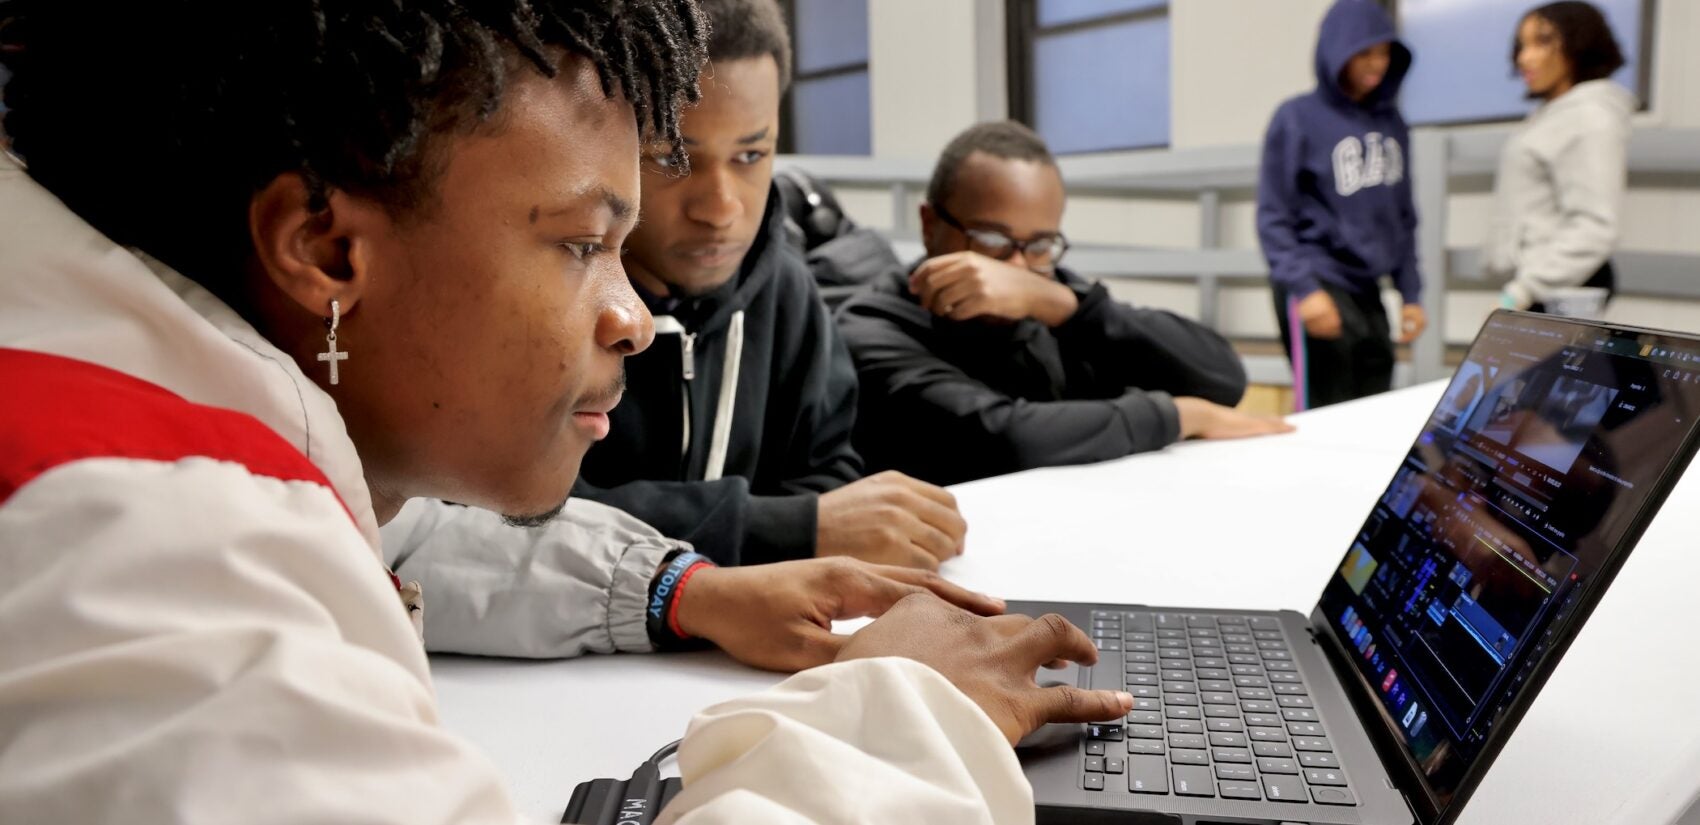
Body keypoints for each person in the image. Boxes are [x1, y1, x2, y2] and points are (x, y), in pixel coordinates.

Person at [0, 3, 1134, 822]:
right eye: (583, 244)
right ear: (324, 248)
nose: (632, 317)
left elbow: (417, 535)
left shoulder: (109, 369)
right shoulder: (150, 580)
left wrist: (684, 590)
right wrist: (902, 717)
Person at [569, 0, 966, 572]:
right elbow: (524, 515)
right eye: (672, 157)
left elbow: (829, 476)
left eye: (751, 154)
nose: (722, 208)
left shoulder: (786, 289)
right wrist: (777, 527)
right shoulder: (555, 301)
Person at [838, 121, 1289, 487]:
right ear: (929, 224)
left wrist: (1069, 308)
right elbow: (1004, 440)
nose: (1016, 266)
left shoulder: (1048, 296)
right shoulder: (871, 327)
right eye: (992, 240)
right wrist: (1176, 415)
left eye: (1039, 245)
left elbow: (1222, 379)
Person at [1257, 0, 1426, 410]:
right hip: (1317, 278)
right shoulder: (1297, 117)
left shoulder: (1392, 124)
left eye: (1385, 52)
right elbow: (1274, 216)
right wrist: (1306, 290)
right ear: (1337, 50)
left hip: (1367, 286)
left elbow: (1403, 217)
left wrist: (1411, 293)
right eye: (1364, 52)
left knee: (1374, 401)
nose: (1377, 64)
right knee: (1327, 408)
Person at [1485, 1, 1632, 314]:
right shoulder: (1552, 115)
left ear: (1579, 43)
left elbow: (1595, 225)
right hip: (1541, 284)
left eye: (1542, 42)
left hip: (1563, 288)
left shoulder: (1590, 117)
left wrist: (1523, 291)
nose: (1525, 57)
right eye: (1521, 45)